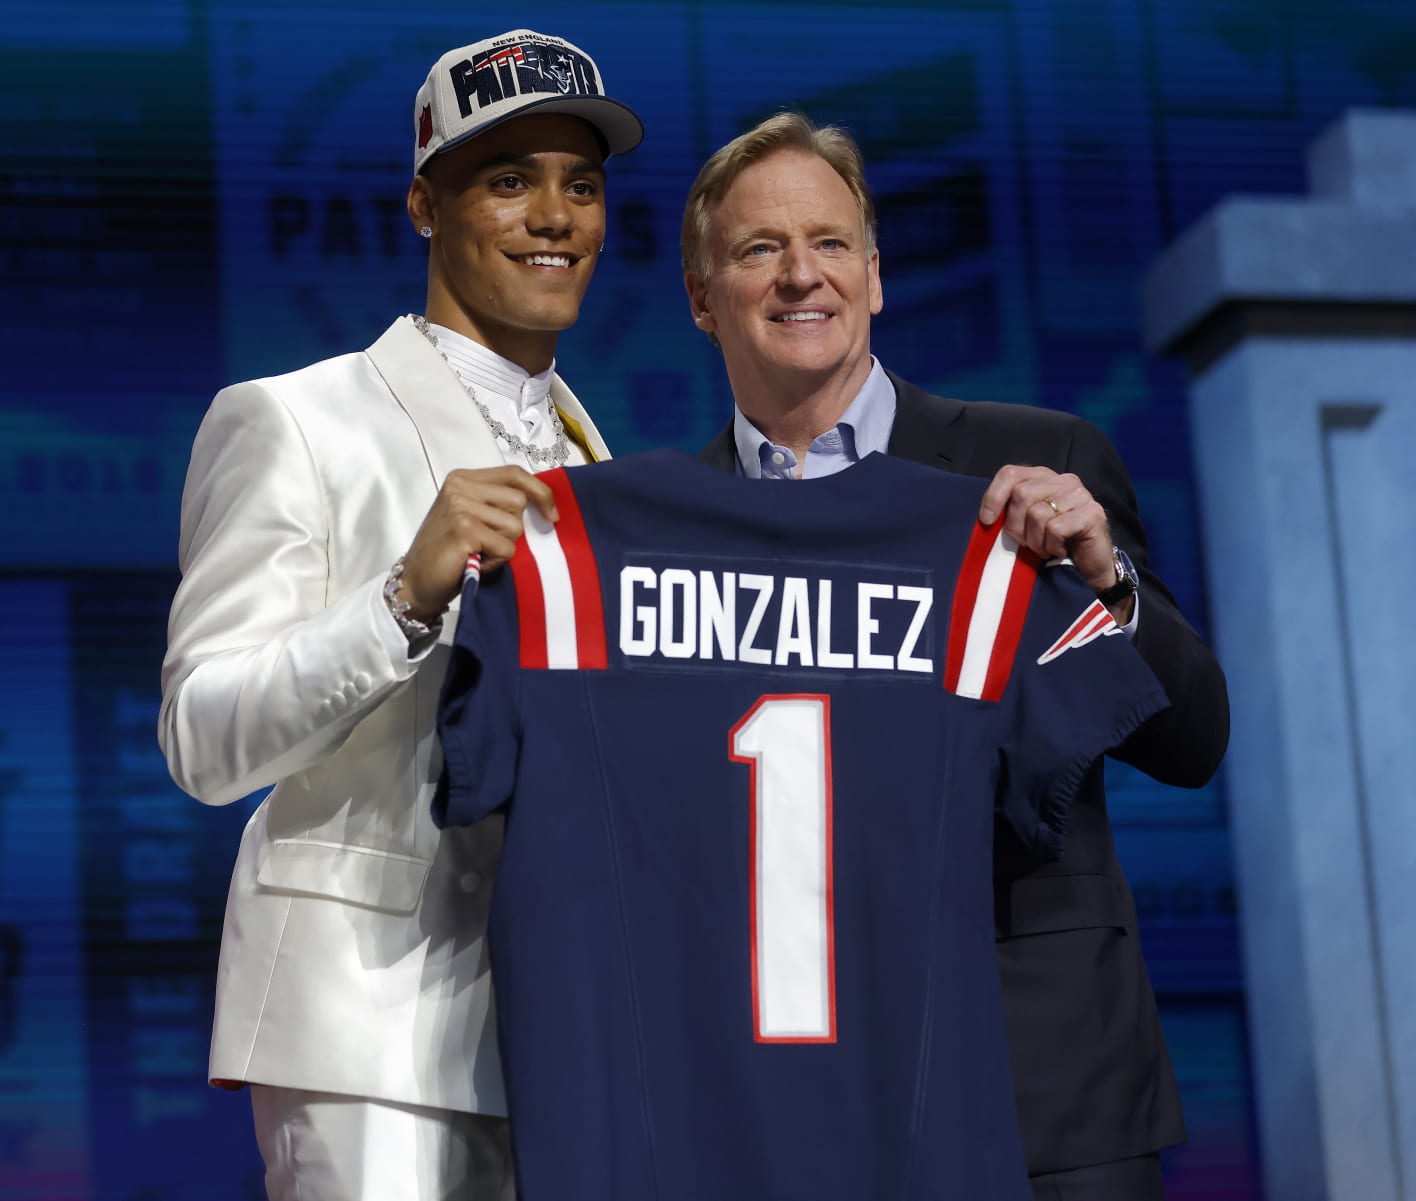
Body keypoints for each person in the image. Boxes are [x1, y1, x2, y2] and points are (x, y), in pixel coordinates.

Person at [680, 112, 1229, 1200]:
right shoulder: (671, 532)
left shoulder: (1041, 460)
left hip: (1045, 1087)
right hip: (794, 1100)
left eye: (831, 243)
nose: (802, 275)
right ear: (703, 298)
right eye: (760, 249)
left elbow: (1192, 740)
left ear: (876, 276)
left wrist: (1107, 577)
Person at [157, 29, 642, 1201]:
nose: (554, 216)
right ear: (425, 204)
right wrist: (402, 598)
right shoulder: (294, 420)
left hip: (564, 1029)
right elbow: (202, 737)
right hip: (366, 1024)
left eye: (581, 185)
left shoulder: (605, 465)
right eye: (510, 179)